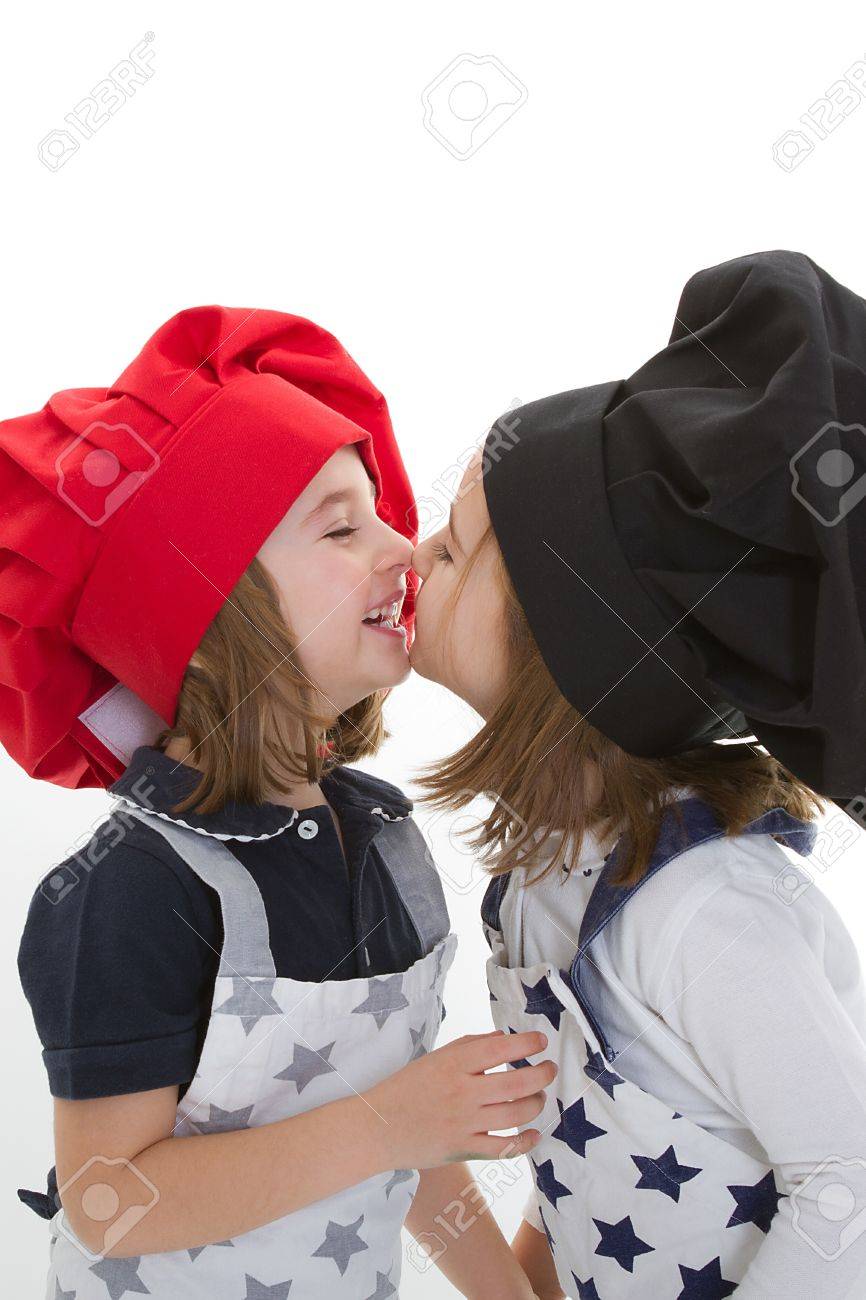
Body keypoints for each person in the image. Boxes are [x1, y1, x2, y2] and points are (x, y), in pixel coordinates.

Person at [6, 306, 553, 1298]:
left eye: (378, 512)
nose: (404, 548)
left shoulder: (384, 843)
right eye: (342, 527)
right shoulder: (130, 891)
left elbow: (405, 1134)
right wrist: (393, 1123)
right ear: (207, 617)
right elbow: (107, 1200)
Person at [409, 250, 866, 1297]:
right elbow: (587, 1152)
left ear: (562, 644)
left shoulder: (706, 913)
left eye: (455, 547)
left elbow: (848, 1182)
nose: (418, 551)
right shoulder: (539, 880)